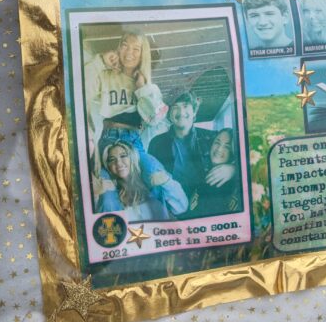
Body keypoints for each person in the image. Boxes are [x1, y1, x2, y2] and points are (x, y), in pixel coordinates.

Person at [149, 91, 237, 214]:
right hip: (171, 208)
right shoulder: (156, 143)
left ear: (194, 112)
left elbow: (238, 152)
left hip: (203, 204)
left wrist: (233, 169)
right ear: (169, 113)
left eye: (185, 106)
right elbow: (151, 178)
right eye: (175, 107)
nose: (180, 112)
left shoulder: (211, 138)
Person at [86, 30, 153, 164]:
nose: (129, 52)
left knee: (155, 176)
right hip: (110, 136)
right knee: (107, 182)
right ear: (118, 48)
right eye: (125, 46)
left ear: (142, 54)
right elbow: (79, 88)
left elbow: (154, 117)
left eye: (136, 49)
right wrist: (101, 62)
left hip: (134, 138)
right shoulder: (106, 76)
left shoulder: (144, 82)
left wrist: (142, 88)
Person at [95, 140, 188, 221]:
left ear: (132, 158)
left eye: (123, 156)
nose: (118, 163)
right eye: (112, 159)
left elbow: (181, 208)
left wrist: (167, 182)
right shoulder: (111, 196)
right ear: (108, 166)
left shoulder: (152, 184)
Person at [194, 128, 242, 216]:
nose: (219, 149)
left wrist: (234, 169)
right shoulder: (204, 169)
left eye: (227, 147)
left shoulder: (224, 183)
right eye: (217, 142)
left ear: (232, 153)